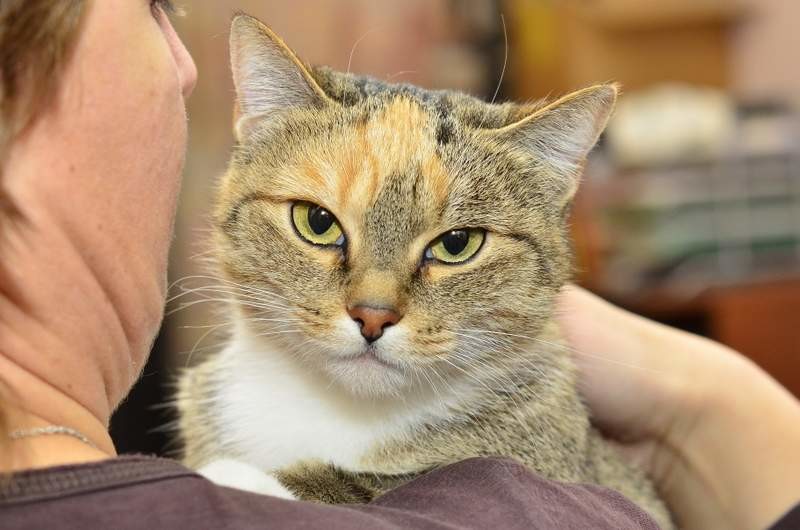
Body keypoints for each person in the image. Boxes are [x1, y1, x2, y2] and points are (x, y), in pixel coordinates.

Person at [0, 1, 798, 529]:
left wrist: (691, 403)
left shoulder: (544, 476)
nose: (374, 305)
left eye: (455, 244)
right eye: (319, 223)